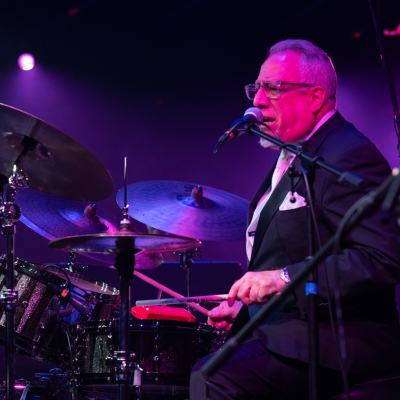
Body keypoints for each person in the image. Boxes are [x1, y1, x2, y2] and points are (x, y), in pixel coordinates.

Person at [190, 39, 400, 399]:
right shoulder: (297, 152)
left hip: (344, 338)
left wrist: (282, 278)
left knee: (212, 376)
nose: (256, 101)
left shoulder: (346, 154)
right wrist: (248, 302)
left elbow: (383, 257)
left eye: (272, 88)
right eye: (256, 88)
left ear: (315, 98)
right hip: (294, 330)